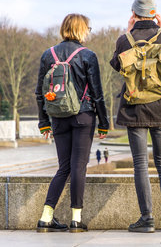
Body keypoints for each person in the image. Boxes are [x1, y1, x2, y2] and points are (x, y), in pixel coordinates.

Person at [110, 0, 161, 233]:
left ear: (134, 14)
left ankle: (147, 218)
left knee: (140, 165)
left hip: (135, 108)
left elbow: (116, 65)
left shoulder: (125, 40)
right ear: (155, 14)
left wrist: (127, 30)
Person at [35, 13, 109, 233]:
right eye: (88, 28)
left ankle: (46, 216)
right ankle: (76, 218)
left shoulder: (48, 55)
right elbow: (97, 93)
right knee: (78, 166)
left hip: (57, 117)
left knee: (63, 167)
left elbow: (40, 92)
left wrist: (43, 122)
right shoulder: (88, 55)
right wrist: (104, 123)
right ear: (81, 29)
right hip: (83, 115)